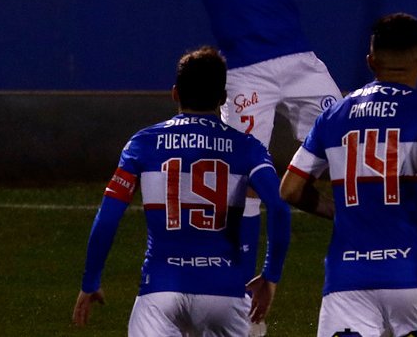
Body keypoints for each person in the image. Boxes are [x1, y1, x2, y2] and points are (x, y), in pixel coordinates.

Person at [0, 0, 417, 335]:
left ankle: (386, 250)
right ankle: (246, 307)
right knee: (242, 188)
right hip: (246, 75)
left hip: (301, 63)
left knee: (355, 152)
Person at [71, 46, 291, 336]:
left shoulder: (143, 143)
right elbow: (278, 207)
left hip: (160, 291)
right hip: (225, 294)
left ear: (175, 93)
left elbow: (108, 217)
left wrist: (90, 281)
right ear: (223, 98)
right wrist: (270, 276)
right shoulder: (248, 148)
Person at [279, 13, 417, 337]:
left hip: (346, 277)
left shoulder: (333, 116)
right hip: (414, 273)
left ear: (371, 61)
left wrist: (334, 211)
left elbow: (290, 189)